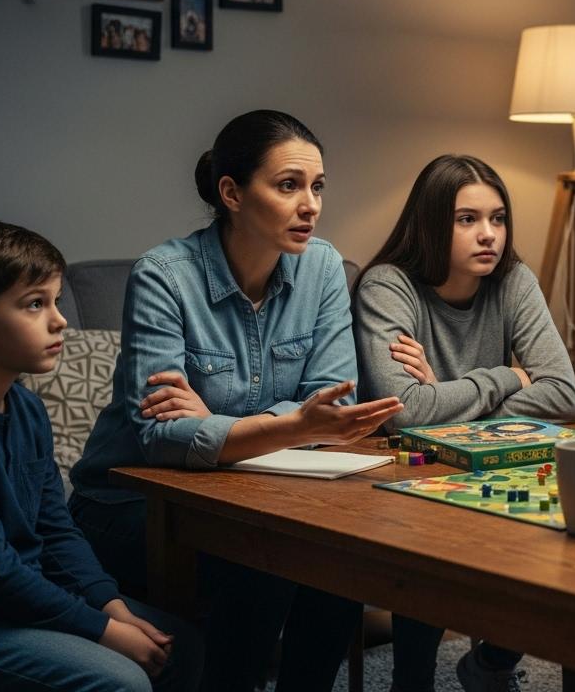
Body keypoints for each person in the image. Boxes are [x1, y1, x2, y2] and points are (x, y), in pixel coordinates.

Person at [69, 110, 403, 692]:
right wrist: (292, 423)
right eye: (288, 185)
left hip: (258, 497)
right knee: (266, 564)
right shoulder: (164, 276)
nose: (311, 205)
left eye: (317, 187)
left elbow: (327, 403)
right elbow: (158, 438)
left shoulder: (322, 266)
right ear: (232, 193)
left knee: (337, 562)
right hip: (131, 507)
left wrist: (224, 424)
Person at [0, 219, 203, 691]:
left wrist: (111, 608)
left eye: (56, 301)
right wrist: (103, 632)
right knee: (123, 679)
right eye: (35, 304)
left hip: (9, 597)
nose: (60, 320)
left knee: (185, 643)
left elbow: (54, 528)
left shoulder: (26, 406)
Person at [356, 154, 575, 692]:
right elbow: (403, 412)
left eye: (498, 219)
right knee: (430, 536)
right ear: (432, 222)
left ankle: (492, 663)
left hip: (497, 465)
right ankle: (412, 680)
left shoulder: (513, 281)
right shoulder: (387, 285)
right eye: (467, 219)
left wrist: (444, 396)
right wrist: (505, 376)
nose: (489, 236)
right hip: (405, 478)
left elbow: (564, 395)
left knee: (566, 538)